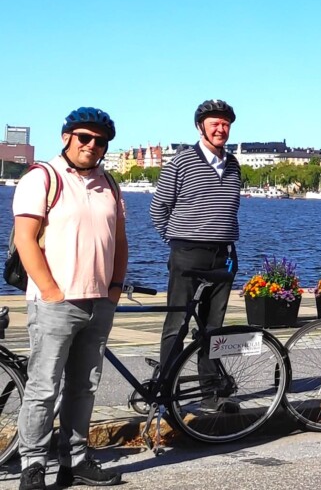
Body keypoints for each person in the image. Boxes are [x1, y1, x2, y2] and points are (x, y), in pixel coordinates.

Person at [12, 108, 127, 489]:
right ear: (66, 137)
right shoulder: (42, 177)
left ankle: (74, 460)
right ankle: (32, 464)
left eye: (101, 141)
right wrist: (50, 291)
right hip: (57, 303)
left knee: (84, 387)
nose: (92, 146)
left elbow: (120, 241)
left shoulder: (110, 184)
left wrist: (113, 288)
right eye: (84, 137)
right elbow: (25, 238)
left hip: (99, 302)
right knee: (44, 387)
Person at [150, 99, 243, 411]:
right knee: (177, 322)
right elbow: (158, 208)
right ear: (200, 127)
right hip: (188, 253)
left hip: (223, 254)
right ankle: (166, 389)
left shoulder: (233, 165)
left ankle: (211, 391)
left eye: (225, 123)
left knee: (212, 327)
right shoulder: (181, 162)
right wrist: (176, 241)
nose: (221, 128)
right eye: (214, 123)